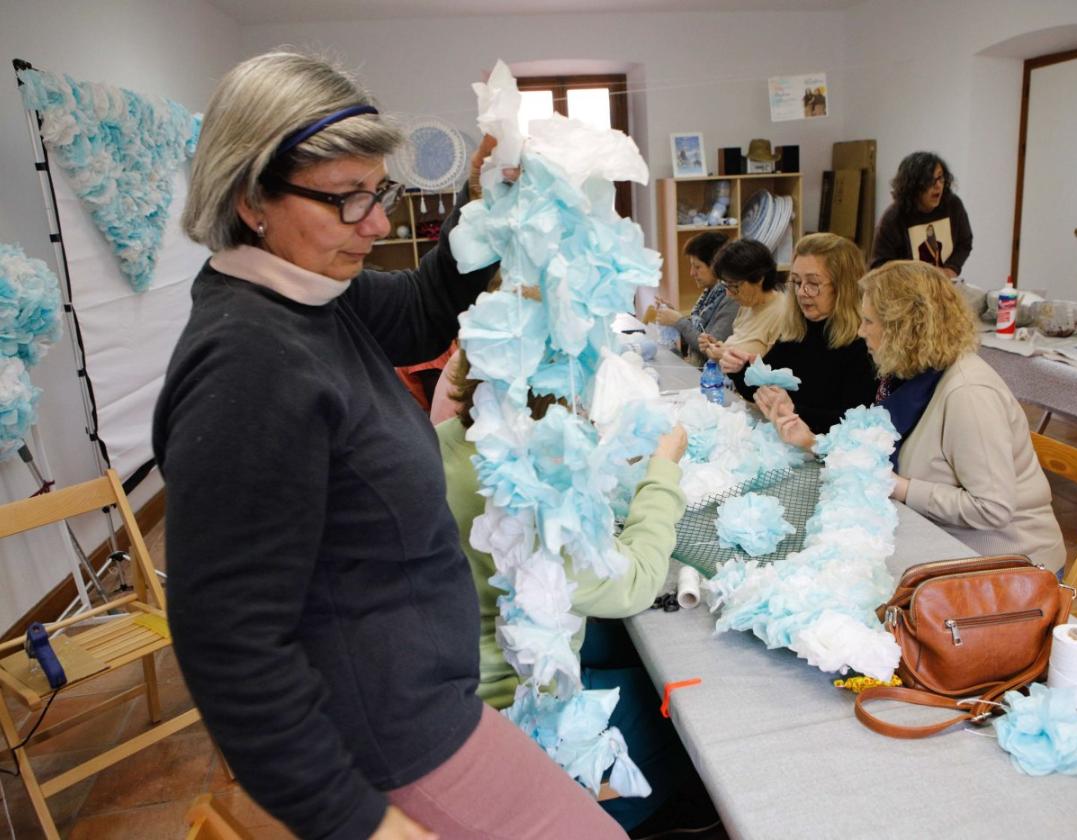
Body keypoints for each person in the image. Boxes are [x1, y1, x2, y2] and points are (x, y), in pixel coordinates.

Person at [153, 51, 623, 840]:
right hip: (387, 734)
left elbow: (414, 309)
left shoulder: (308, 297)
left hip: (418, 698)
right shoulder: (250, 366)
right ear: (249, 198)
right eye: (345, 200)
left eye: (380, 192)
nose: (375, 223)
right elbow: (229, 644)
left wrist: (481, 208)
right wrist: (360, 823)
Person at [435, 353, 714, 834]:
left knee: (631, 650)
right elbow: (635, 582)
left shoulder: (445, 440)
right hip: (509, 712)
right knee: (687, 716)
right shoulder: (528, 496)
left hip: (450, 675)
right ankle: (599, 813)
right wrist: (663, 469)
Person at [757, 261, 1066, 571]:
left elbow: (991, 509)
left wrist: (899, 487)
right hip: (943, 536)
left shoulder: (968, 394)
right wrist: (809, 440)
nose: (861, 331)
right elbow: (872, 456)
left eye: (868, 321)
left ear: (903, 329)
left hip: (1005, 563)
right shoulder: (909, 376)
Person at [720, 233, 878, 434]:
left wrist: (791, 410)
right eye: (796, 282)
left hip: (826, 455)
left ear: (842, 287)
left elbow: (854, 424)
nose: (802, 292)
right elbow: (758, 392)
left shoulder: (862, 345)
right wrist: (741, 370)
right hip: (789, 444)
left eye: (813, 284)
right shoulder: (796, 331)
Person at [870, 151, 973, 278]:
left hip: (944, 287)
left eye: (940, 178)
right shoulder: (893, 218)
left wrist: (951, 269)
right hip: (907, 292)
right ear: (913, 186)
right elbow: (879, 266)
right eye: (930, 180)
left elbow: (964, 242)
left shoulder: (953, 205)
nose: (938, 186)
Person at [699, 238, 796, 363]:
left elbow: (773, 373)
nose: (728, 294)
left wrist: (724, 355)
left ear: (759, 278)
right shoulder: (747, 306)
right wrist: (717, 346)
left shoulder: (783, 314)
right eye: (726, 285)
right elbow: (740, 347)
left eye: (734, 286)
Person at [652, 231, 737, 364]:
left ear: (716, 266)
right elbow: (697, 332)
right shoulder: (710, 294)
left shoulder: (731, 298)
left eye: (697, 267)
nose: (692, 273)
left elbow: (710, 348)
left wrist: (678, 321)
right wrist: (674, 318)